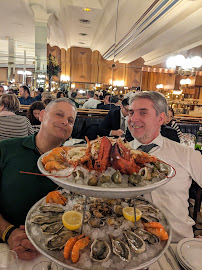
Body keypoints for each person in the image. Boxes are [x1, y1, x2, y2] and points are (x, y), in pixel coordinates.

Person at [0, 98, 77, 260]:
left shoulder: (75, 163)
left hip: (57, 250)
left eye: (70, 120)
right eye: (59, 115)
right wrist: (8, 232)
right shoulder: (5, 149)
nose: (65, 122)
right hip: (6, 246)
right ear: (41, 115)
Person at [127, 91, 202, 242]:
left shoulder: (185, 154)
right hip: (132, 241)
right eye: (131, 112)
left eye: (143, 112)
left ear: (161, 118)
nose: (133, 119)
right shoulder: (120, 154)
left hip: (177, 242)